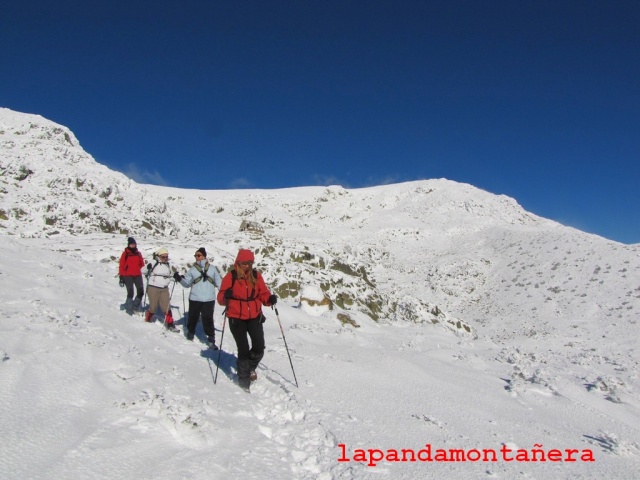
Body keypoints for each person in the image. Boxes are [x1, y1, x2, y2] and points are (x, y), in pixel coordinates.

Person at [217, 249, 277, 392]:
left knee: (259, 347)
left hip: (254, 316)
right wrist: (226, 296)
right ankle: (244, 382)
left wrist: (269, 299)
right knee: (243, 349)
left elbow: (263, 293)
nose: (247, 266)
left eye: (249, 263)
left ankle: (248, 368)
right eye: (244, 263)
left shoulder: (256, 276)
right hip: (236, 318)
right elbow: (220, 298)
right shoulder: (230, 277)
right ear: (238, 263)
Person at [173, 247, 222, 347]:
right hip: (195, 298)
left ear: (204, 256)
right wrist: (179, 279)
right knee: (193, 316)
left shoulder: (212, 269)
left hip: (209, 299)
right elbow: (187, 283)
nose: (197, 257)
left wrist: (226, 294)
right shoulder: (192, 270)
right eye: (195, 256)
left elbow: (219, 283)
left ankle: (211, 337)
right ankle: (191, 332)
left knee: (207, 318)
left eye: (198, 255)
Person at [144, 247, 178, 331]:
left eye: (166, 257)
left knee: (166, 307)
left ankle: (170, 324)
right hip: (153, 287)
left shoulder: (168, 265)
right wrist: (147, 268)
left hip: (164, 288)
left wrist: (177, 277)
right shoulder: (154, 262)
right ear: (159, 256)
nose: (165, 259)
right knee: (153, 307)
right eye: (163, 257)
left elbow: (171, 276)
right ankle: (148, 317)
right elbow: (143, 271)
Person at [118, 237, 145, 315]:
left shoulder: (138, 253)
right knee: (130, 293)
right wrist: (121, 276)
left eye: (134, 244)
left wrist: (145, 271)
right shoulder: (125, 254)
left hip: (138, 275)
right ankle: (129, 310)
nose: (133, 246)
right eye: (131, 244)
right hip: (128, 275)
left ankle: (135, 307)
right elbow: (121, 265)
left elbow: (142, 264)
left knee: (141, 292)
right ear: (129, 245)